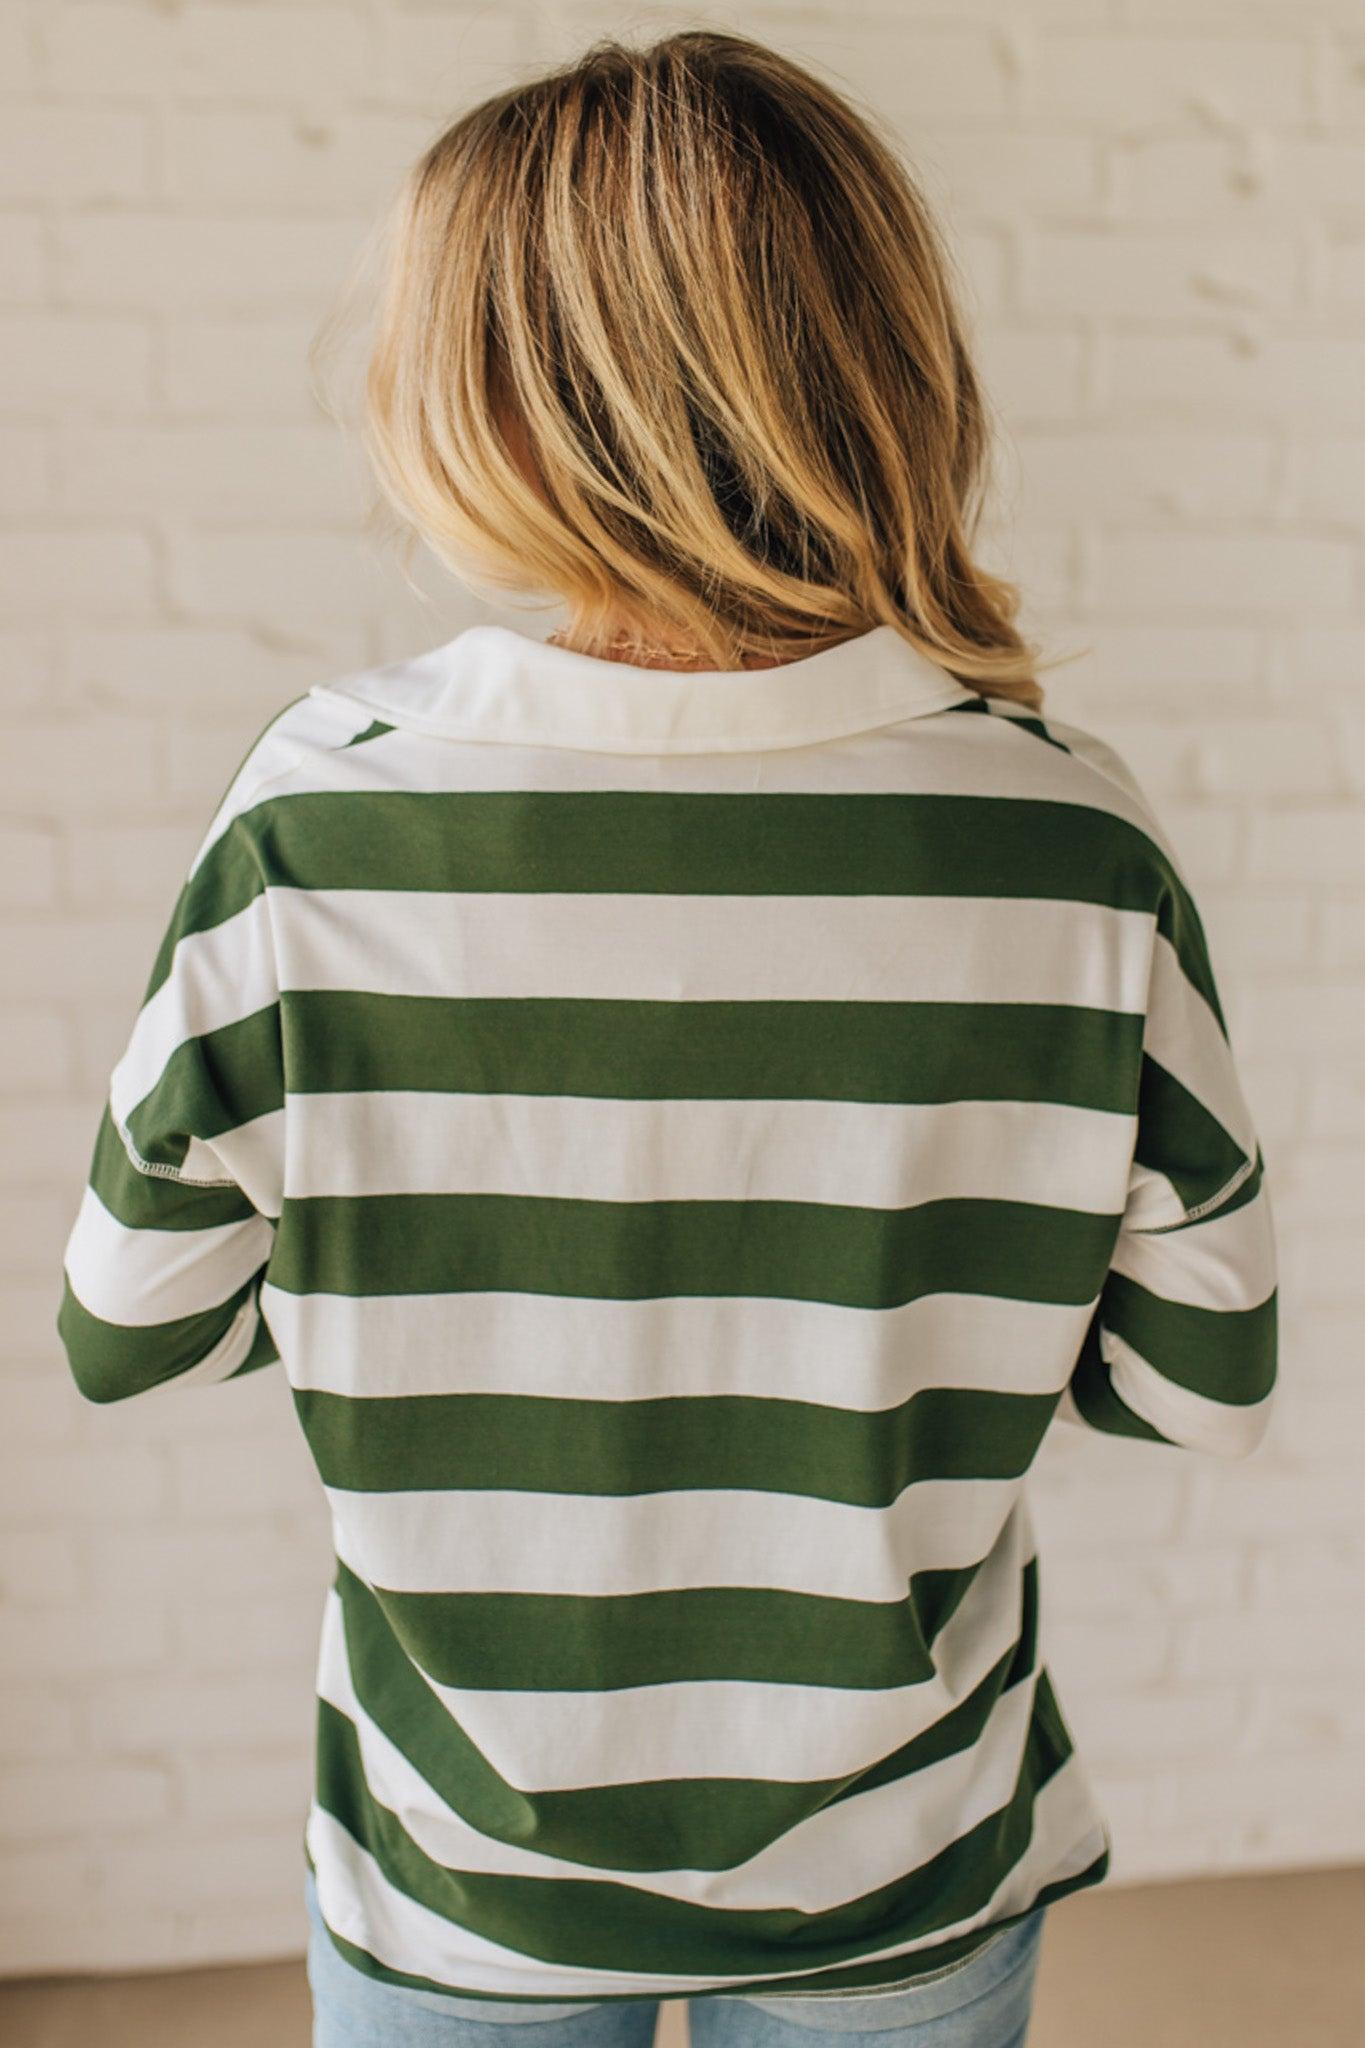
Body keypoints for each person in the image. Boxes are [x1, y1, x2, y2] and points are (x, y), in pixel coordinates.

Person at [55, 28, 1278, 2048]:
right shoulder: (1070, 838)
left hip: (462, 1867)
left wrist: (442, 1297)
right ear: (883, 369)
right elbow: (1192, 1372)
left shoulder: (314, 830)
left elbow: (129, 1326)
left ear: (480, 402)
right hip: (905, 1851)